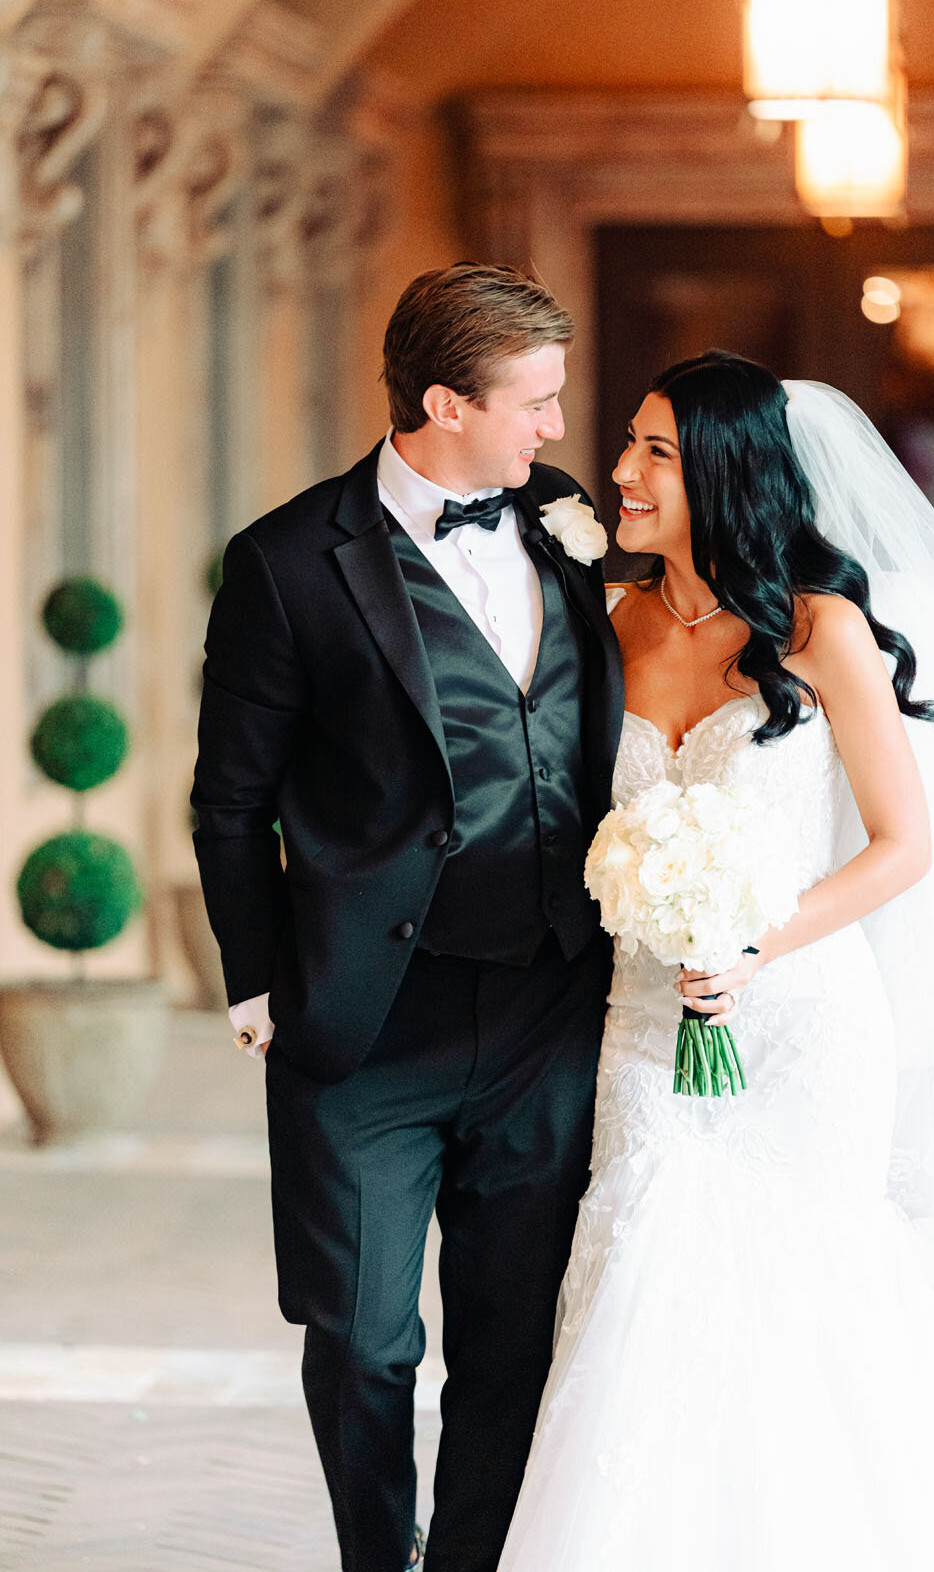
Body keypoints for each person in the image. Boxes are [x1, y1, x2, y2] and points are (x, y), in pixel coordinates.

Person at [497, 351, 934, 1572]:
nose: (621, 471)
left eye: (655, 452)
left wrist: (757, 943)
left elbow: (902, 846)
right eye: (629, 446)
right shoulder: (615, 625)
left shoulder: (824, 630)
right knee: (638, 1284)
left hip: (803, 1024)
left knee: (798, 1305)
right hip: (646, 1026)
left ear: (724, 472)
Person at [190, 263, 624, 1572]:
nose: (555, 429)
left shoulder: (563, 519)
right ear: (444, 400)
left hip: (547, 1005)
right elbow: (228, 800)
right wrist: (259, 987)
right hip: (367, 1026)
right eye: (533, 402)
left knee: (509, 1342)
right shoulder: (285, 563)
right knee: (365, 1341)